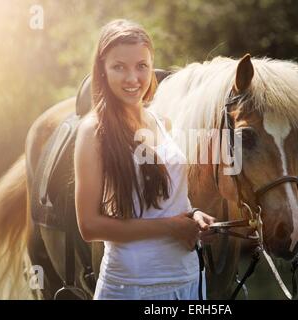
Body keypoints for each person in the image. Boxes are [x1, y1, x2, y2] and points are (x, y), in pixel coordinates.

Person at [74, 19, 215, 300]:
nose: (132, 78)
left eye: (142, 66)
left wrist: (192, 216)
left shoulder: (162, 121)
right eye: (119, 67)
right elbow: (89, 226)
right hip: (134, 286)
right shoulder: (93, 132)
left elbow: (172, 198)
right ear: (102, 70)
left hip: (189, 279)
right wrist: (171, 227)